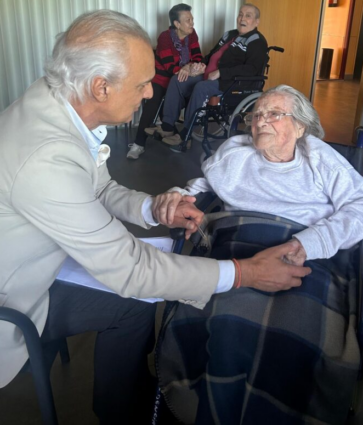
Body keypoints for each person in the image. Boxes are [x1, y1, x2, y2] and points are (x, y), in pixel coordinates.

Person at [0, 10, 310, 424]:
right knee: (135, 300)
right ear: (101, 87)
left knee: (140, 303)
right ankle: (123, 414)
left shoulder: (59, 98)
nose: (150, 94)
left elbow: (99, 187)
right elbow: (129, 269)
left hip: (39, 256)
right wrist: (244, 273)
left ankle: (123, 400)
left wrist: (153, 206)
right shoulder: (45, 156)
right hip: (15, 295)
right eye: (142, 84)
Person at [156, 85, 363, 424]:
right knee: (226, 321)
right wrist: (177, 196)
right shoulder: (234, 152)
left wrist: (310, 243)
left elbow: (359, 204)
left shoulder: (320, 157)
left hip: (305, 249)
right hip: (240, 239)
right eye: (256, 115)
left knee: (298, 336)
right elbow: (199, 189)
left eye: (274, 114)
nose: (261, 121)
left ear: (300, 127)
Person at [146, 3, 267, 153]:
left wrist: (221, 72)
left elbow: (252, 69)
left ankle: (185, 136)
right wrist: (199, 66)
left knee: (201, 88)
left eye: (248, 16)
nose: (242, 18)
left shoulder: (257, 41)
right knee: (178, 80)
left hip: (229, 83)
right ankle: (167, 127)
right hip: (208, 75)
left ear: (256, 21)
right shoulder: (229, 35)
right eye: (240, 14)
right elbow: (211, 55)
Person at [126, 3, 204, 160]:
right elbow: (169, 66)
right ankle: (138, 144)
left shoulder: (192, 34)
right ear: (177, 24)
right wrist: (186, 69)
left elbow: (197, 56)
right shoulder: (165, 38)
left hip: (181, 79)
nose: (192, 23)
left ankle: (181, 137)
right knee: (153, 104)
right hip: (162, 79)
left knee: (195, 94)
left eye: (192, 19)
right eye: (188, 20)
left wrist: (192, 67)